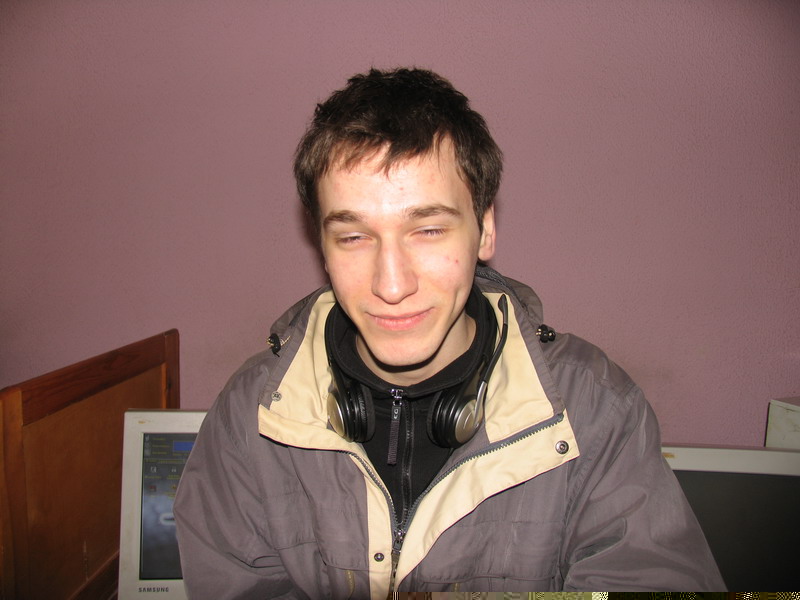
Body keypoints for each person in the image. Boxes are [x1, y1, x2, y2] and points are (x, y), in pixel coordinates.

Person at [174, 67, 724, 596]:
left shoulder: (595, 409)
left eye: (429, 230)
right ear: (321, 245)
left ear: (484, 230)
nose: (392, 285)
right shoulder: (250, 414)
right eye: (354, 237)